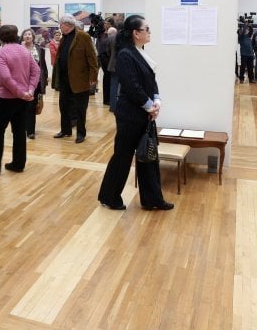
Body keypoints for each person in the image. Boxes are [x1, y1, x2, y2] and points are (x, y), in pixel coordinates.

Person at [97, 15, 174, 211]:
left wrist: (156, 100)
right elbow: (132, 86)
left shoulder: (139, 52)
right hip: (130, 115)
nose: (149, 32)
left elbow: (150, 80)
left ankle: (152, 199)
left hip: (144, 113)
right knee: (123, 156)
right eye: (146, 29)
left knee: (148, 155)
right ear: (136, 33)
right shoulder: (125, 54)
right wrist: (149, 106)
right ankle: (109, 196)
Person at [0, 25, 40, 176]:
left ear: (0, 37)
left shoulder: (2, 53)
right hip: (23, 99)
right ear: (16, 36)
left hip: (6, 98)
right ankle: (18, 164)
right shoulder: (24, 51)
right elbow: (36, 71)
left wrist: (21, 92)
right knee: (19, 131)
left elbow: (6, 78)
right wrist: (29, 91)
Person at [52, 15, 98, 143]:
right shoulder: (63, 38)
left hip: (80, 79)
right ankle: (66, 130)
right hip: (64, 79)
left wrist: (93, 77)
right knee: (64, 106)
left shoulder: (83, 36)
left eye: (61, 25)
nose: (60, 27)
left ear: (67, 24)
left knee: (80, 108)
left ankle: (81, 133)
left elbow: (92, 58)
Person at [20, 28, 48, 139]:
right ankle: (21, 128)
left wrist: (44, 81)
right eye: (25, 34)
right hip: (21, 81)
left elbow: (43, 66)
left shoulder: (39, 49)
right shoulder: (19, 48)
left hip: (35, 82)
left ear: (33, 36)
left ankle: (31, 131)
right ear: (22, 37)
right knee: (21, 106)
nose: (27, 36)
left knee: (32, 106)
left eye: (29, 34)